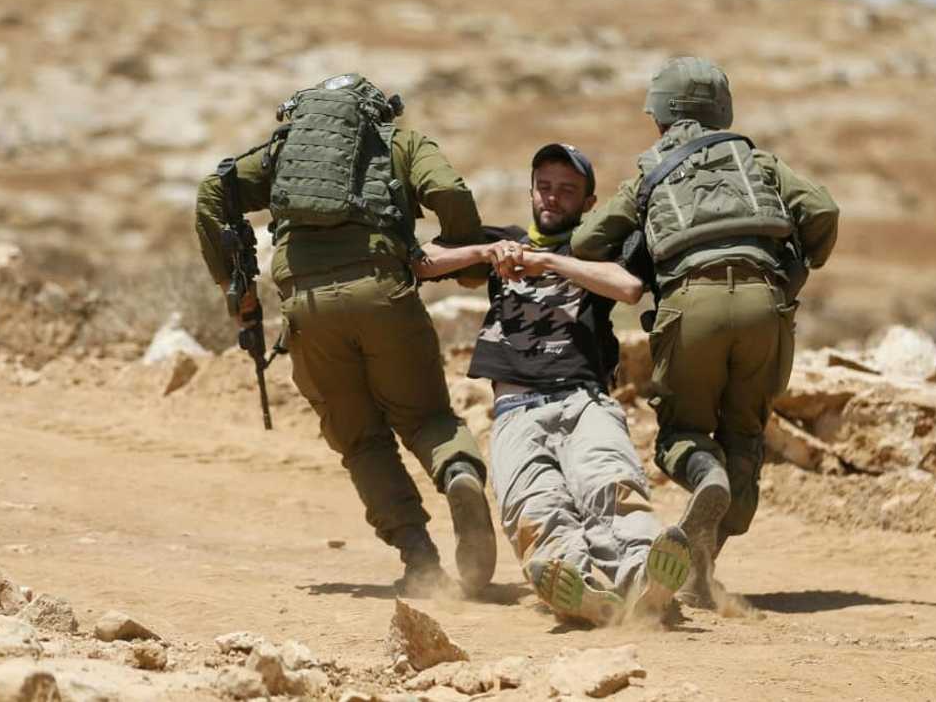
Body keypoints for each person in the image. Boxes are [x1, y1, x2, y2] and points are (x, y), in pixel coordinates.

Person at [195, 74, 497, 596]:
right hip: (384, 295)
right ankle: (457, 476)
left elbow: (210, 194)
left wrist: (236, 289)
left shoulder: (282, 152)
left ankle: (419, 560)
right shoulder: (402, 142)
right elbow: (449, 190)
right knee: (425, 418)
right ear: (378, 111)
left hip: (308, 310)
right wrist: (466, 259)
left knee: (360, 439)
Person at [570, 56, 840, 606]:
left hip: (691, 306)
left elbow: (586, 243)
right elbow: (822, 209)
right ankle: (703, 566)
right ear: (721, 109)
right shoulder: (756, 160)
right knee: (744, 432)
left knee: (681, 433)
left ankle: (703, 476)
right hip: (766, 306)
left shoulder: (650, 171)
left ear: (662, 117)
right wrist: (797, 272)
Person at [414, 143, 693, 625]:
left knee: (610, 484)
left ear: (588, 202)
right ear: (530, 191)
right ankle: (576, 587)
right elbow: (421, 260)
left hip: (583, 400)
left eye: (567, 190)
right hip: (514, 410)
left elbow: (628, 288)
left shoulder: (594, 250)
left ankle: (643, 577)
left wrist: (551, 263)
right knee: (534, 506)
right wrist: (486, 251)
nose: (552, 197)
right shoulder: (504, 239)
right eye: (544, 187)